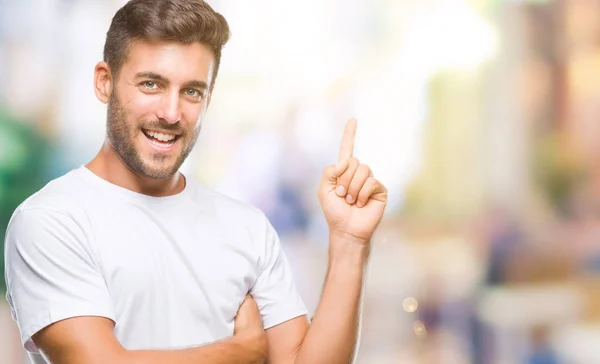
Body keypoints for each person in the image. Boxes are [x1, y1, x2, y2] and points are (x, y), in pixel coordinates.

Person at [4, 1, 388, 363]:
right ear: (104, 82)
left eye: (191, 91)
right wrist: (240, 351)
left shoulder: (247, 228)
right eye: (151, 84)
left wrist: (349, 244)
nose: (171, 113)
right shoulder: (51, 220)